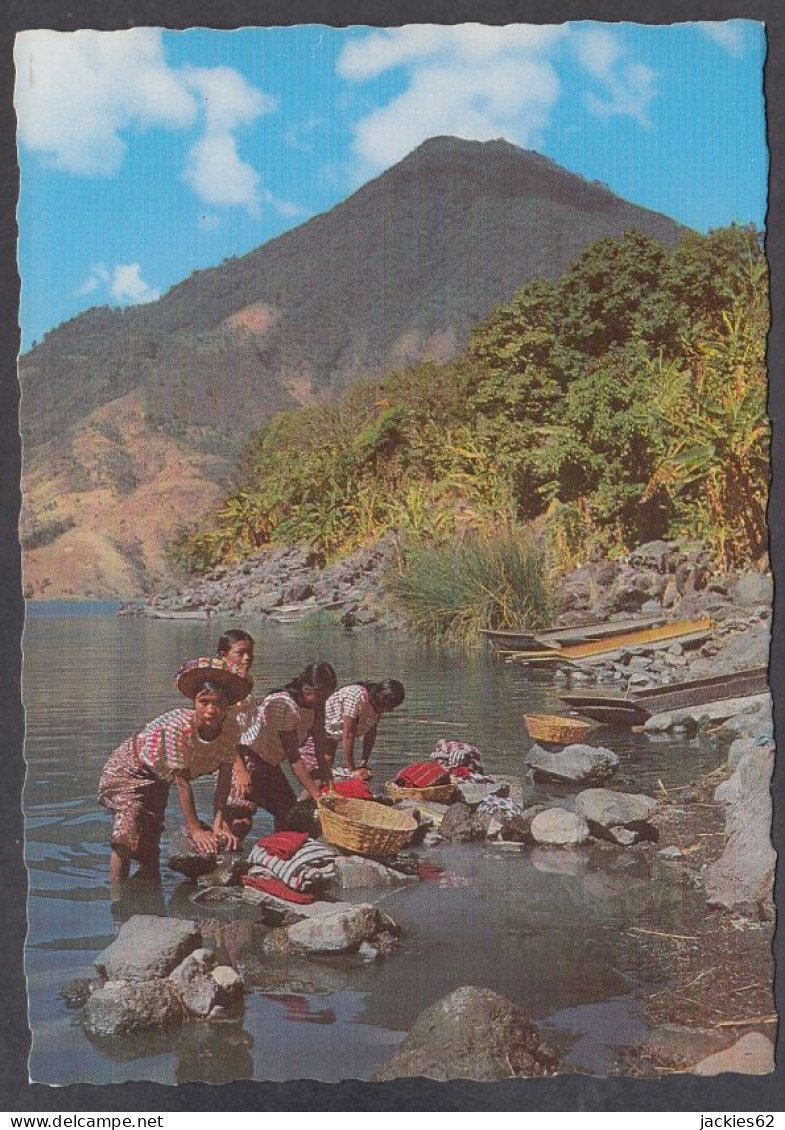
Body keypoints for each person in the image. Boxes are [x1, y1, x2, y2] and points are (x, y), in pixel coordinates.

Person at [98, 658, 252, 883]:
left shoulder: (231, 728)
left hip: (160, 776)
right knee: (126, 836)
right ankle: (118, 903)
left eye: (218, 703)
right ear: (195, 703)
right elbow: (182, 782)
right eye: (204, 702)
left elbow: (225, 779)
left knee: (148, 848)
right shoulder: (177, 727)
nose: (211, 710)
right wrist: (196, 829)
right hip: (129, 770)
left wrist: (219, 826)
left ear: (227, 705)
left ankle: (148, 900)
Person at [225, 662, 336, 839]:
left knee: (290, 816)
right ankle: (226, 857)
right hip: (247, 759)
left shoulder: (317, 706)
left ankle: (278, 853)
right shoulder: (283, 705)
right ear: (307, 691)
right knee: (240, 817)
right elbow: (294, 758)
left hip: (270, 763)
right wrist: (317, 796)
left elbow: (320, 749)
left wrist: (330, 788)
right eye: (321, 696)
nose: (324, 701)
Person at [322, 679, 405, 778]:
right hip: (322, 724)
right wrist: (352, 769)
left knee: (327, 763)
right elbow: (348, 735)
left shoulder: (376, 706)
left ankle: (327, 786)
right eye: (388, 706)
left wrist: (363, 762)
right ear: (379, 697)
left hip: (335, 731)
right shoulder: (356, 697)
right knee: (325, 763)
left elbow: (371, 733)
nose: (388, 710)